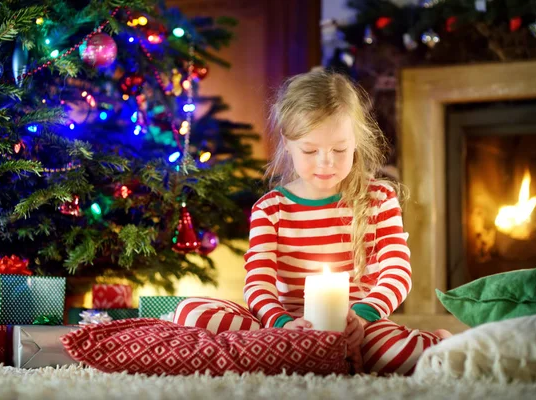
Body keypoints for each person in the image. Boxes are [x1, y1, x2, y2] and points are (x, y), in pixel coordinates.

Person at [174, 70, 450, 375]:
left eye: (339, 149)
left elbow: (397, 271)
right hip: (286, 327)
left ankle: (423, 344)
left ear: (355, 142)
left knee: (403, 353)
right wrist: (283, 324)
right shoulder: (271, 209)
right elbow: (258, 283)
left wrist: (361, 317)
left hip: (359, 327)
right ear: (288, 143)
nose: (325, 162)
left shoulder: (379, 199)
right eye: (310, 150)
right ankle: (304, 354)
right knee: (191, 311)